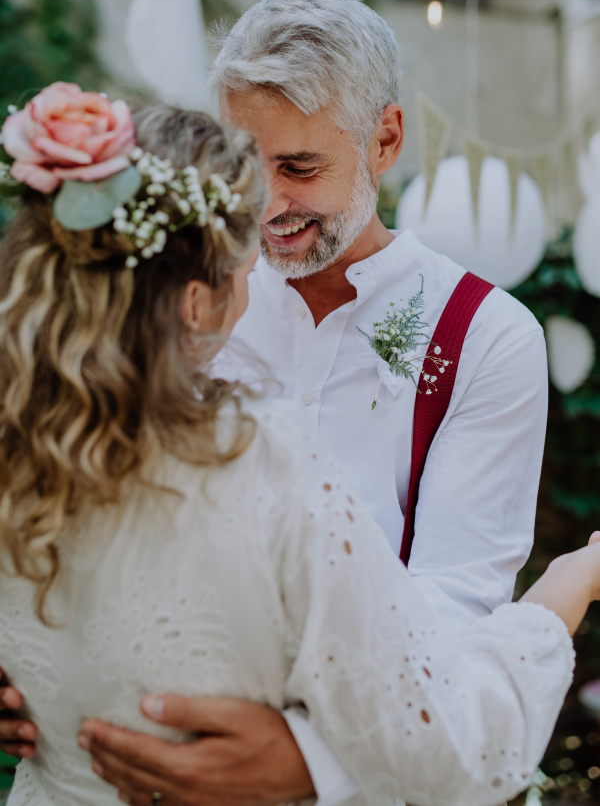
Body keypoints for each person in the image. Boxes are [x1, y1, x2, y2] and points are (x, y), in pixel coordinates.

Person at [0, 87, 593, 806]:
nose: (269, 233)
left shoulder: (17, 440)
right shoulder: (263, 455)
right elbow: (454, 748)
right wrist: (568, 584)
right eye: (241, 268)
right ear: (195, 303)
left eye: (299, 168)